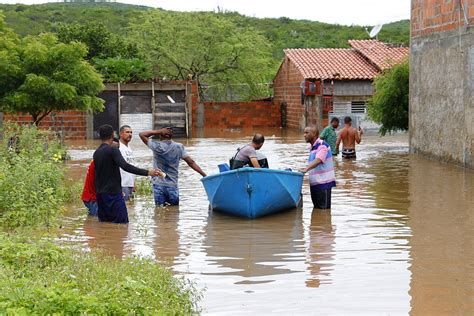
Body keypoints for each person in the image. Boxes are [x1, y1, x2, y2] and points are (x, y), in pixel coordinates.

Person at [93, 124, 163, 224]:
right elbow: (126, 166)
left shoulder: (97, 152)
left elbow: (96, 176)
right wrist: (148, 172)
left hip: (101, 195)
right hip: (114, 194)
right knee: (122, 224)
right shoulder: (113, 150)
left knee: (105, 224)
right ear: (113, 135)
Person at [139, 127, 207, 206]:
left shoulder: (156, 146)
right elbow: (191, 162)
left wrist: (159, 131)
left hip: (158, 185)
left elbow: (142, 134)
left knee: (160, 212)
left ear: (161, 136)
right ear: (172, 136)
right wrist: (203, 174)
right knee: (174, 213)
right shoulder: (179, 147)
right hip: (172, 186)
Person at [81, 138, 120, 216]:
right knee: (99, 222)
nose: (116, 151)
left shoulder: (101, 158)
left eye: (117, 149)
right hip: (93, 199)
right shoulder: (101, 161)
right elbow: (100, 182)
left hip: (92, 197)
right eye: (113, 149)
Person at [301, 126, 336, 209]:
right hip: (315, 184)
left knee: (324, 212)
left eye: (306, 133)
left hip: (323, 184)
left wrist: (306, 169)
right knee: (317, 211)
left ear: (314, 134)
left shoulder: (322, 145)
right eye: (304, 132)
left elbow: (318, 160)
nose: (304, 135)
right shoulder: (313, 147)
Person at [118, 125, 135, 201]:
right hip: (122, 184)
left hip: (129, 183)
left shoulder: (129, 148)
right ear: (121, 134)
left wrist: (133, 183)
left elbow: (131, 165)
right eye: (127, 132)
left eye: (131, 132)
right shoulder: (118, 147)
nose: (130, 134)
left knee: (130, 207)